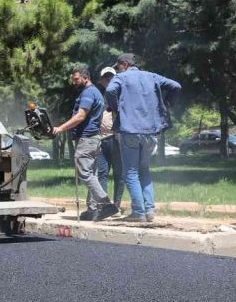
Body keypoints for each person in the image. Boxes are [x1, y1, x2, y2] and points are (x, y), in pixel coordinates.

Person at [105, 53, 181, 222]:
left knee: (130, 172)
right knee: (144, 170)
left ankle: (138, 212)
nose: (117, 70)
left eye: (118, 67)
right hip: (150, 132)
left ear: (124, 64)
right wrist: (168, 103)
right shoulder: (152, 76)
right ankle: (150, 210)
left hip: (129, 131)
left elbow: (110, 90)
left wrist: (115, 107)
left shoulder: (122, 78)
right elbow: (176, 86)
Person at [52, 67, 117, 221]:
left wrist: (60, 128)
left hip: (86, 139)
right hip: (94, 139)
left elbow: (80, 116)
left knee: (85, 173)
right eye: (73, 79)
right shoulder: (96, 93)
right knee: (92, 173)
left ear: (85, 77)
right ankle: (92, 209)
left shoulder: (88, 93)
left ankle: (106, 205)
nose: (74, 82)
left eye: (76, 79)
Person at [95, 66, 124, 215]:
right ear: (101, 80)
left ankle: (117, 205)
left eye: (111, 77)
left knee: (119, 173)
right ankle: (104, 206)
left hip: (116, 139)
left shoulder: (120, 94)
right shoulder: (100, 96)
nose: (109, 80)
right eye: (106, 78)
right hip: (102, 139)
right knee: (102, 173)